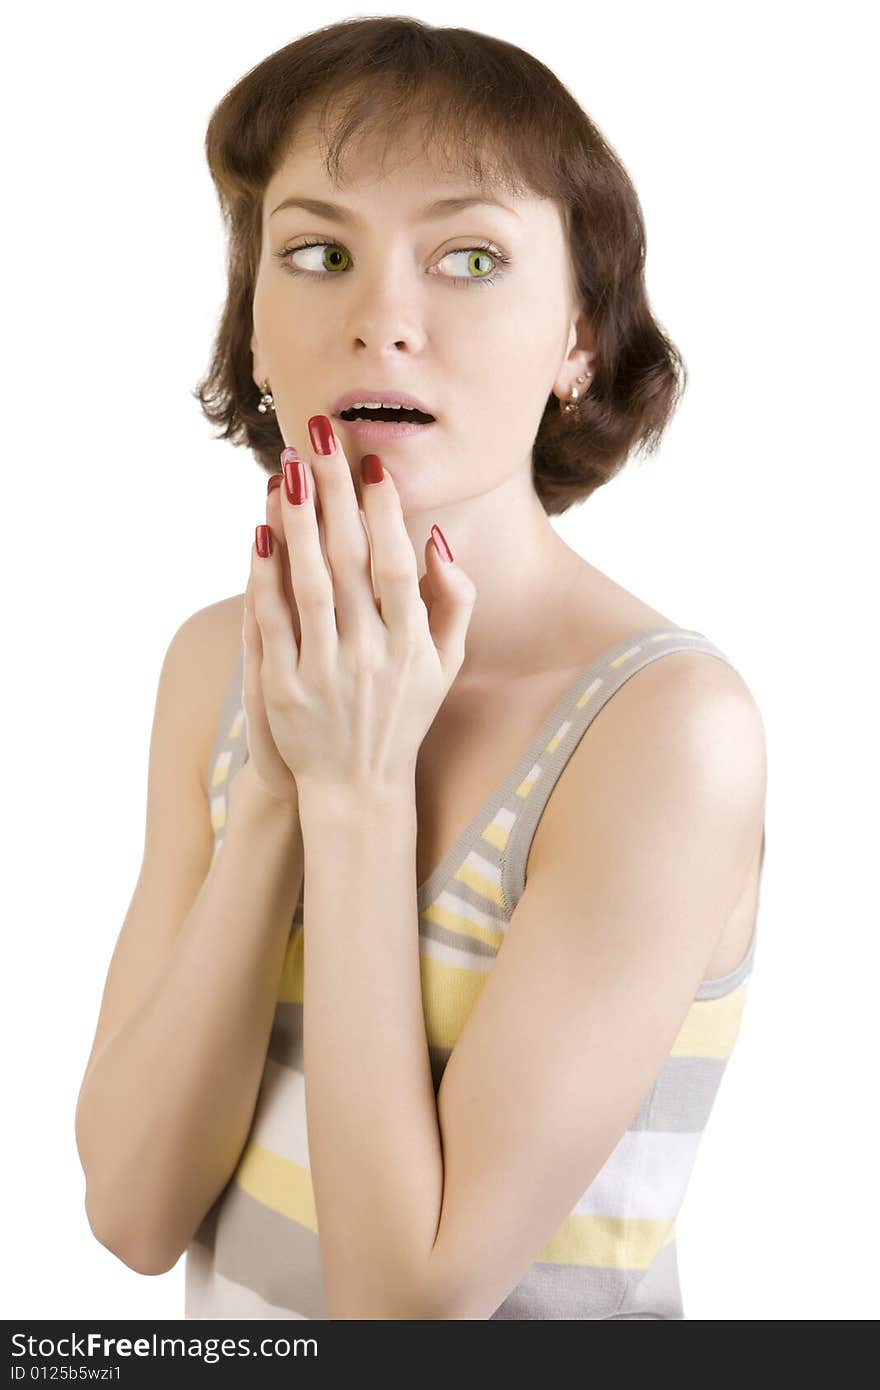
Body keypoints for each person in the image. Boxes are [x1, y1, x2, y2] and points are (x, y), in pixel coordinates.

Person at [74, 17, 767, 1320]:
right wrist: (280, 781)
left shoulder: (667, 731)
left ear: (578, 339)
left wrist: (361, 786)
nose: (382, 319)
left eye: (468, 258)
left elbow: (406, 1313)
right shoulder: (212, 667)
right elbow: (129, 1206)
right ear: (256, 331)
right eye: (319, 253)